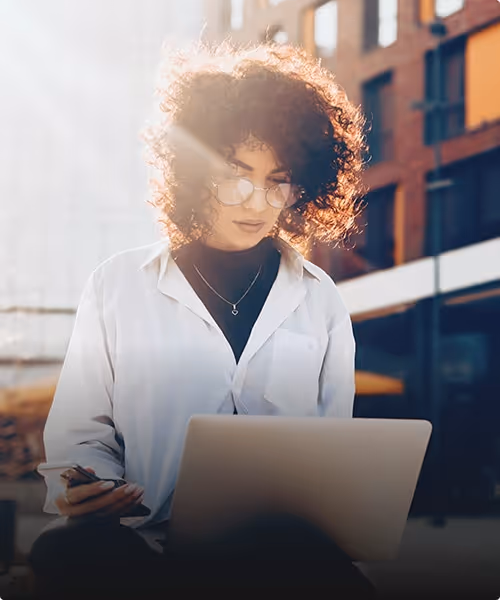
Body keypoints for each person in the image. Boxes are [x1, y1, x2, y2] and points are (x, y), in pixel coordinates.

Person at [28, 41, 374, 598]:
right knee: (61, 550)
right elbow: (80, 431)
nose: (256, 202)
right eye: (235, 174)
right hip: (143, 545)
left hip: (276, 550)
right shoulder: (117, 285)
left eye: (277, 180)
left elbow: (333, 449)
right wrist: (81, 487)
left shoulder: (320, 300)